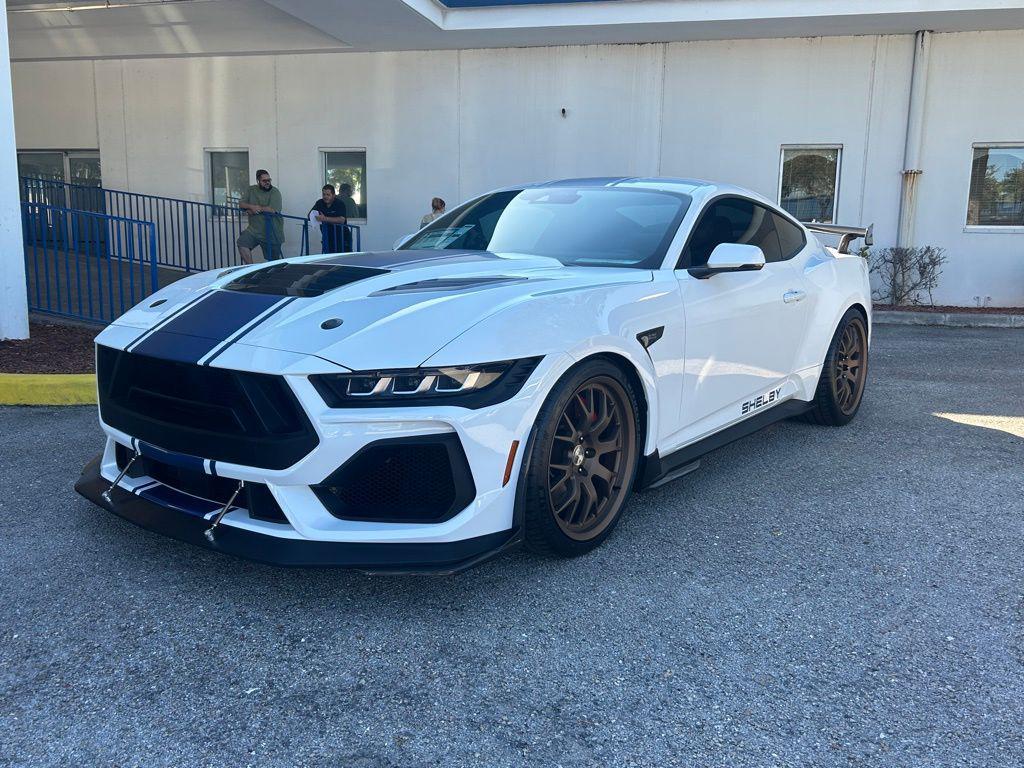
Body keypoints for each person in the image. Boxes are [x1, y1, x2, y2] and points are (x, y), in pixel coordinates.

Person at [237, 169, 284, 263]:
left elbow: (272, 210)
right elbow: (241, 204)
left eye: (269, 180)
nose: (267, 183)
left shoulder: (275, 192)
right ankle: (250, 269)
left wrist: (255, 210)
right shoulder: (251, 189)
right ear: (258, 181)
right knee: (242, 243)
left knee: (273, 261)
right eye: (264, 181)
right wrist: (251, 207)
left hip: (272, 231)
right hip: (254, 230)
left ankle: (273, 277)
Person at [311, 184, 349, 253]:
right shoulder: (319, 203)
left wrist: (324, 219)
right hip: (327, 237)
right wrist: (313, 217)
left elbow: (341, 220)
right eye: (324, 194)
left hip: (342, 237)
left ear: (334, 195)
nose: (325, 197)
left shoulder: (339, 204)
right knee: (329, 258)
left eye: (328, 195)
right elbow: (311, 214)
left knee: (342, 259)